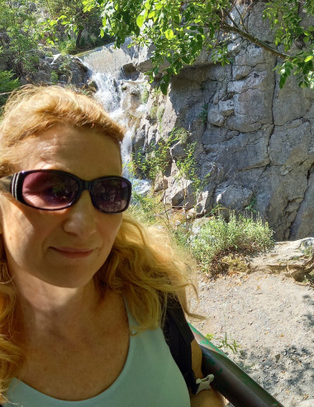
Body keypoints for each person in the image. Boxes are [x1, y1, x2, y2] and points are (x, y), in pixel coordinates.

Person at [0, 84, 225, 407]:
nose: (84, 225)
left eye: (108, 193)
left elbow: (199, 388)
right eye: (53, 190)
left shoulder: (150, 295)